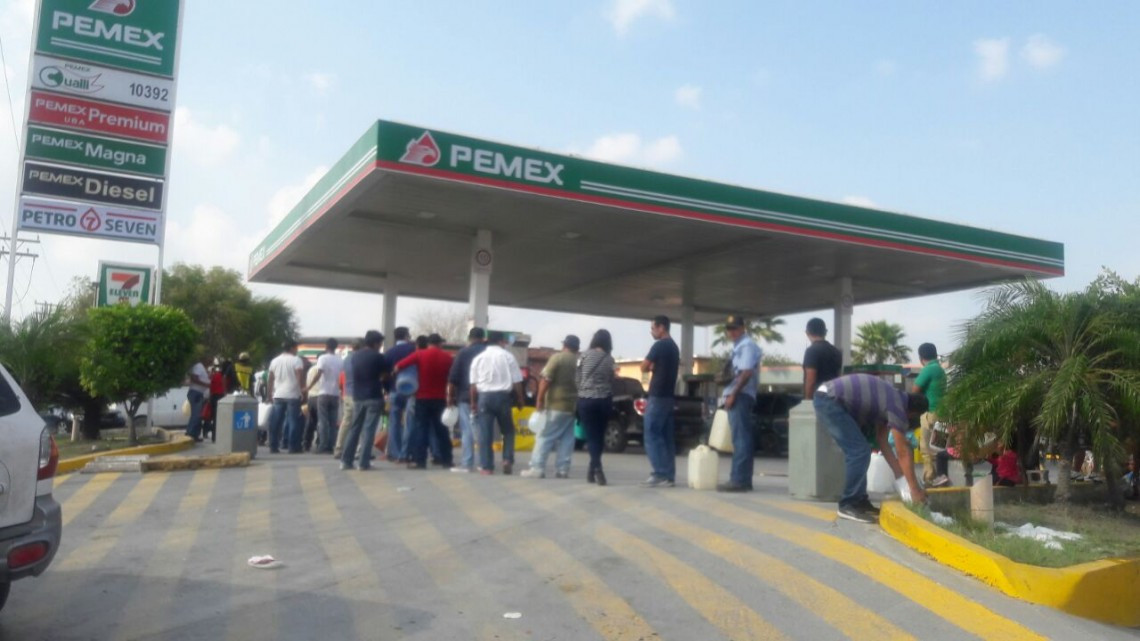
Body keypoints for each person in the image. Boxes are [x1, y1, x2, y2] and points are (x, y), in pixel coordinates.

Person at [813, 373, 929, 522]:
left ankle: (859, 500)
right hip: (829, 399)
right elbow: (902, 452)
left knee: (863, 450)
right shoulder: (898, 407)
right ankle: (848, 503)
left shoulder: (891, 400)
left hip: (829, 397)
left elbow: (883, 442)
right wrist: (914, 490)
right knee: (859, 451)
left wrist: (901, 478)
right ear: (912, 413)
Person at [522, 335, 580, 479]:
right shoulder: (578, 362)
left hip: (555, 404)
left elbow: (546, 380)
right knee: (567, 439)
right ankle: (562, 469)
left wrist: (539, 399)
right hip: (571, 406)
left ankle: (537, 468)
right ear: (577, 348)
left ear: (564, 345)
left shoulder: (557, 358)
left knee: (545, 436)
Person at [395, 333, 455, 470]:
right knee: (442, 430)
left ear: (428, 343)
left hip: (422, 398)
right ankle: (447, 460)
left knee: (421, 429)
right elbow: (453, 376)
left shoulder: (420, 354)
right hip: (440, 398)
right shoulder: (447, 357)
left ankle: (419, 461)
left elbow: (399, 366)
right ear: (440, 344)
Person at [470, 330, 525, 475]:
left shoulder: (479, 358)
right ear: (501, 342)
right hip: (503, 397)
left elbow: (473, 385)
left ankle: (487, 467)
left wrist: (473, 403)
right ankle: (507, 459)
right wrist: (520, 399)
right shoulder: (508, 356)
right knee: (508, 431)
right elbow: (517, 381)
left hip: (484, 398)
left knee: (485, 433)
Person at [718, 315, 762, 493]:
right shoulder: (739, 346)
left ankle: (739, 480)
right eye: (729, 329)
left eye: (735, 328)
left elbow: (746, 373)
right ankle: (743, 479)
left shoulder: (746, 346)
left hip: (741, 395)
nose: (732, 332)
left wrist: (733, 394)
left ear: (743, 328)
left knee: (741, 438)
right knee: (741, 437)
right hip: (739, 394)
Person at [341, 330, 390, 471]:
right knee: (368, 431)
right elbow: (385, 375)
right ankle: (363, 463)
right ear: (375, 343)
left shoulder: (355, 357)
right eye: (380, 343)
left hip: (357, 397)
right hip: (374, 396)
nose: (380, 346)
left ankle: (346, 461)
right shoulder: (378, 357)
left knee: (354, 428)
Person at [640, 315, 680, 488]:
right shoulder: (674, 347)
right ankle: (669, 476)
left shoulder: (659, 346)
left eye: (653, 328)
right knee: (666, 437)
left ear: (661, 327)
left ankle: (659, 473)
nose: (651, 332)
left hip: (657, 396)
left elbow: (643, 367)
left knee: (652, 434)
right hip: (669, 396)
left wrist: (651, 366)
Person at [577, 329, 615, 486]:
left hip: (586, 399)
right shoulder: (610, 359)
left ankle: (597, 468)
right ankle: (591, 470)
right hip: (604, 400)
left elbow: (577, 378)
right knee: (599, 436)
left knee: (591, 436)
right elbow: (611, 380)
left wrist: (582, 390)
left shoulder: (584, 356)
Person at [446, 327, 488, 473]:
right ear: (483, 338)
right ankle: (484, 463)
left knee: (467, 430)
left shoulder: (463, 353)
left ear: (470, 338)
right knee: (483, 430)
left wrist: (450, 397)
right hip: (485, 396)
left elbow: (453, 378)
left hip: (465, 397)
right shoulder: (488, 352)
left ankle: (467, 463)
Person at [912, 342, 947, 485]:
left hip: (930, 413)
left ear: (921, 358)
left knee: (926, 449)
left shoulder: (928, 369)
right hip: (944, 413)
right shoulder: (940, 370)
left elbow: (915, 390)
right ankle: (943, 477)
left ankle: (929, 478)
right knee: (939, 447)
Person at [267, 340, 306, 453]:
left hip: (278, 395)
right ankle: (293, 447)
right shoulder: (296, 360)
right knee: (293, 421)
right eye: (296, 348)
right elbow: (299, 376)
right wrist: (301, 391)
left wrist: (269, 394)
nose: (297, 350)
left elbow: (270, 378)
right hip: (292, 395)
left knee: (276, 421)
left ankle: (273, 446)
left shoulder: (274, 361)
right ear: (292, 348)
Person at [383, 327, 416, 462]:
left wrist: (387, 389)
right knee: (410, 421)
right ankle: (407, 451)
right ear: (407, 336)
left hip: (394, 390)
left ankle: (395, 452)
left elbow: (384, 374)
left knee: (394, 422)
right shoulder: (413, 349)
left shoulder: (389, 352)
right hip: (412, 390)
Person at [306, 338, 344, 455]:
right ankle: (331, 445)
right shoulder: (340, 360)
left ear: (326, 346)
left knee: (323, 421)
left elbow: (319, 374)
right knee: (333, 422)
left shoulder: (322, 358)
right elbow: (342, 376)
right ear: (336, 347)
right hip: (335, 393)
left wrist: (309, 387)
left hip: (323, 393)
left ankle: (322, 445)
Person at [334, 339, 364, 458]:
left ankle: (339, 448)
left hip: (347, 393)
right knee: (360, 422)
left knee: (346, 421)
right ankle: (359, 450)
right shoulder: (361, 359)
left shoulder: (346, 359)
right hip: (359, 394)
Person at [802, 318, 843, 400]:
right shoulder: (836, 351)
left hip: (819, 398)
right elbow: (838, 376)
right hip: (835, 397)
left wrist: (808, 400)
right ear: (825, 332)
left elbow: (811, 380)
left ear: (807, 333)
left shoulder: (812, 351)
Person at [184, 354, 211, 442]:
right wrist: (206, 384)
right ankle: (190, 433)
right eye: (209, 359)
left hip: (199, 393)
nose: (210, 362)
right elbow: (194, 378)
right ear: (204, 359)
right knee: (196, 415)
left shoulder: (202, 368)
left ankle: (195, 434)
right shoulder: (199, 366)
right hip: (196, 393)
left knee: (198, 415)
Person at [205, 361, 227, 443]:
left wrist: (210, 398)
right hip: (220, 397)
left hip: (213, 397)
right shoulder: (223, 376)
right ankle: (218, 436)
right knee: (221, 418)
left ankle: (214, 436)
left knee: (215, 418)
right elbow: (224, 388)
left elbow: (211, 387)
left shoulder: (215, 375)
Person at [302, 358, 320, 451]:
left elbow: (307, 382)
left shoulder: (311, 370)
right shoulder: (323, 369)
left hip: (311, 397)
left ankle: (306, 443)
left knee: (310, 421)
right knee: (321, 422)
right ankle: (319, 443)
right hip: (320, 396)